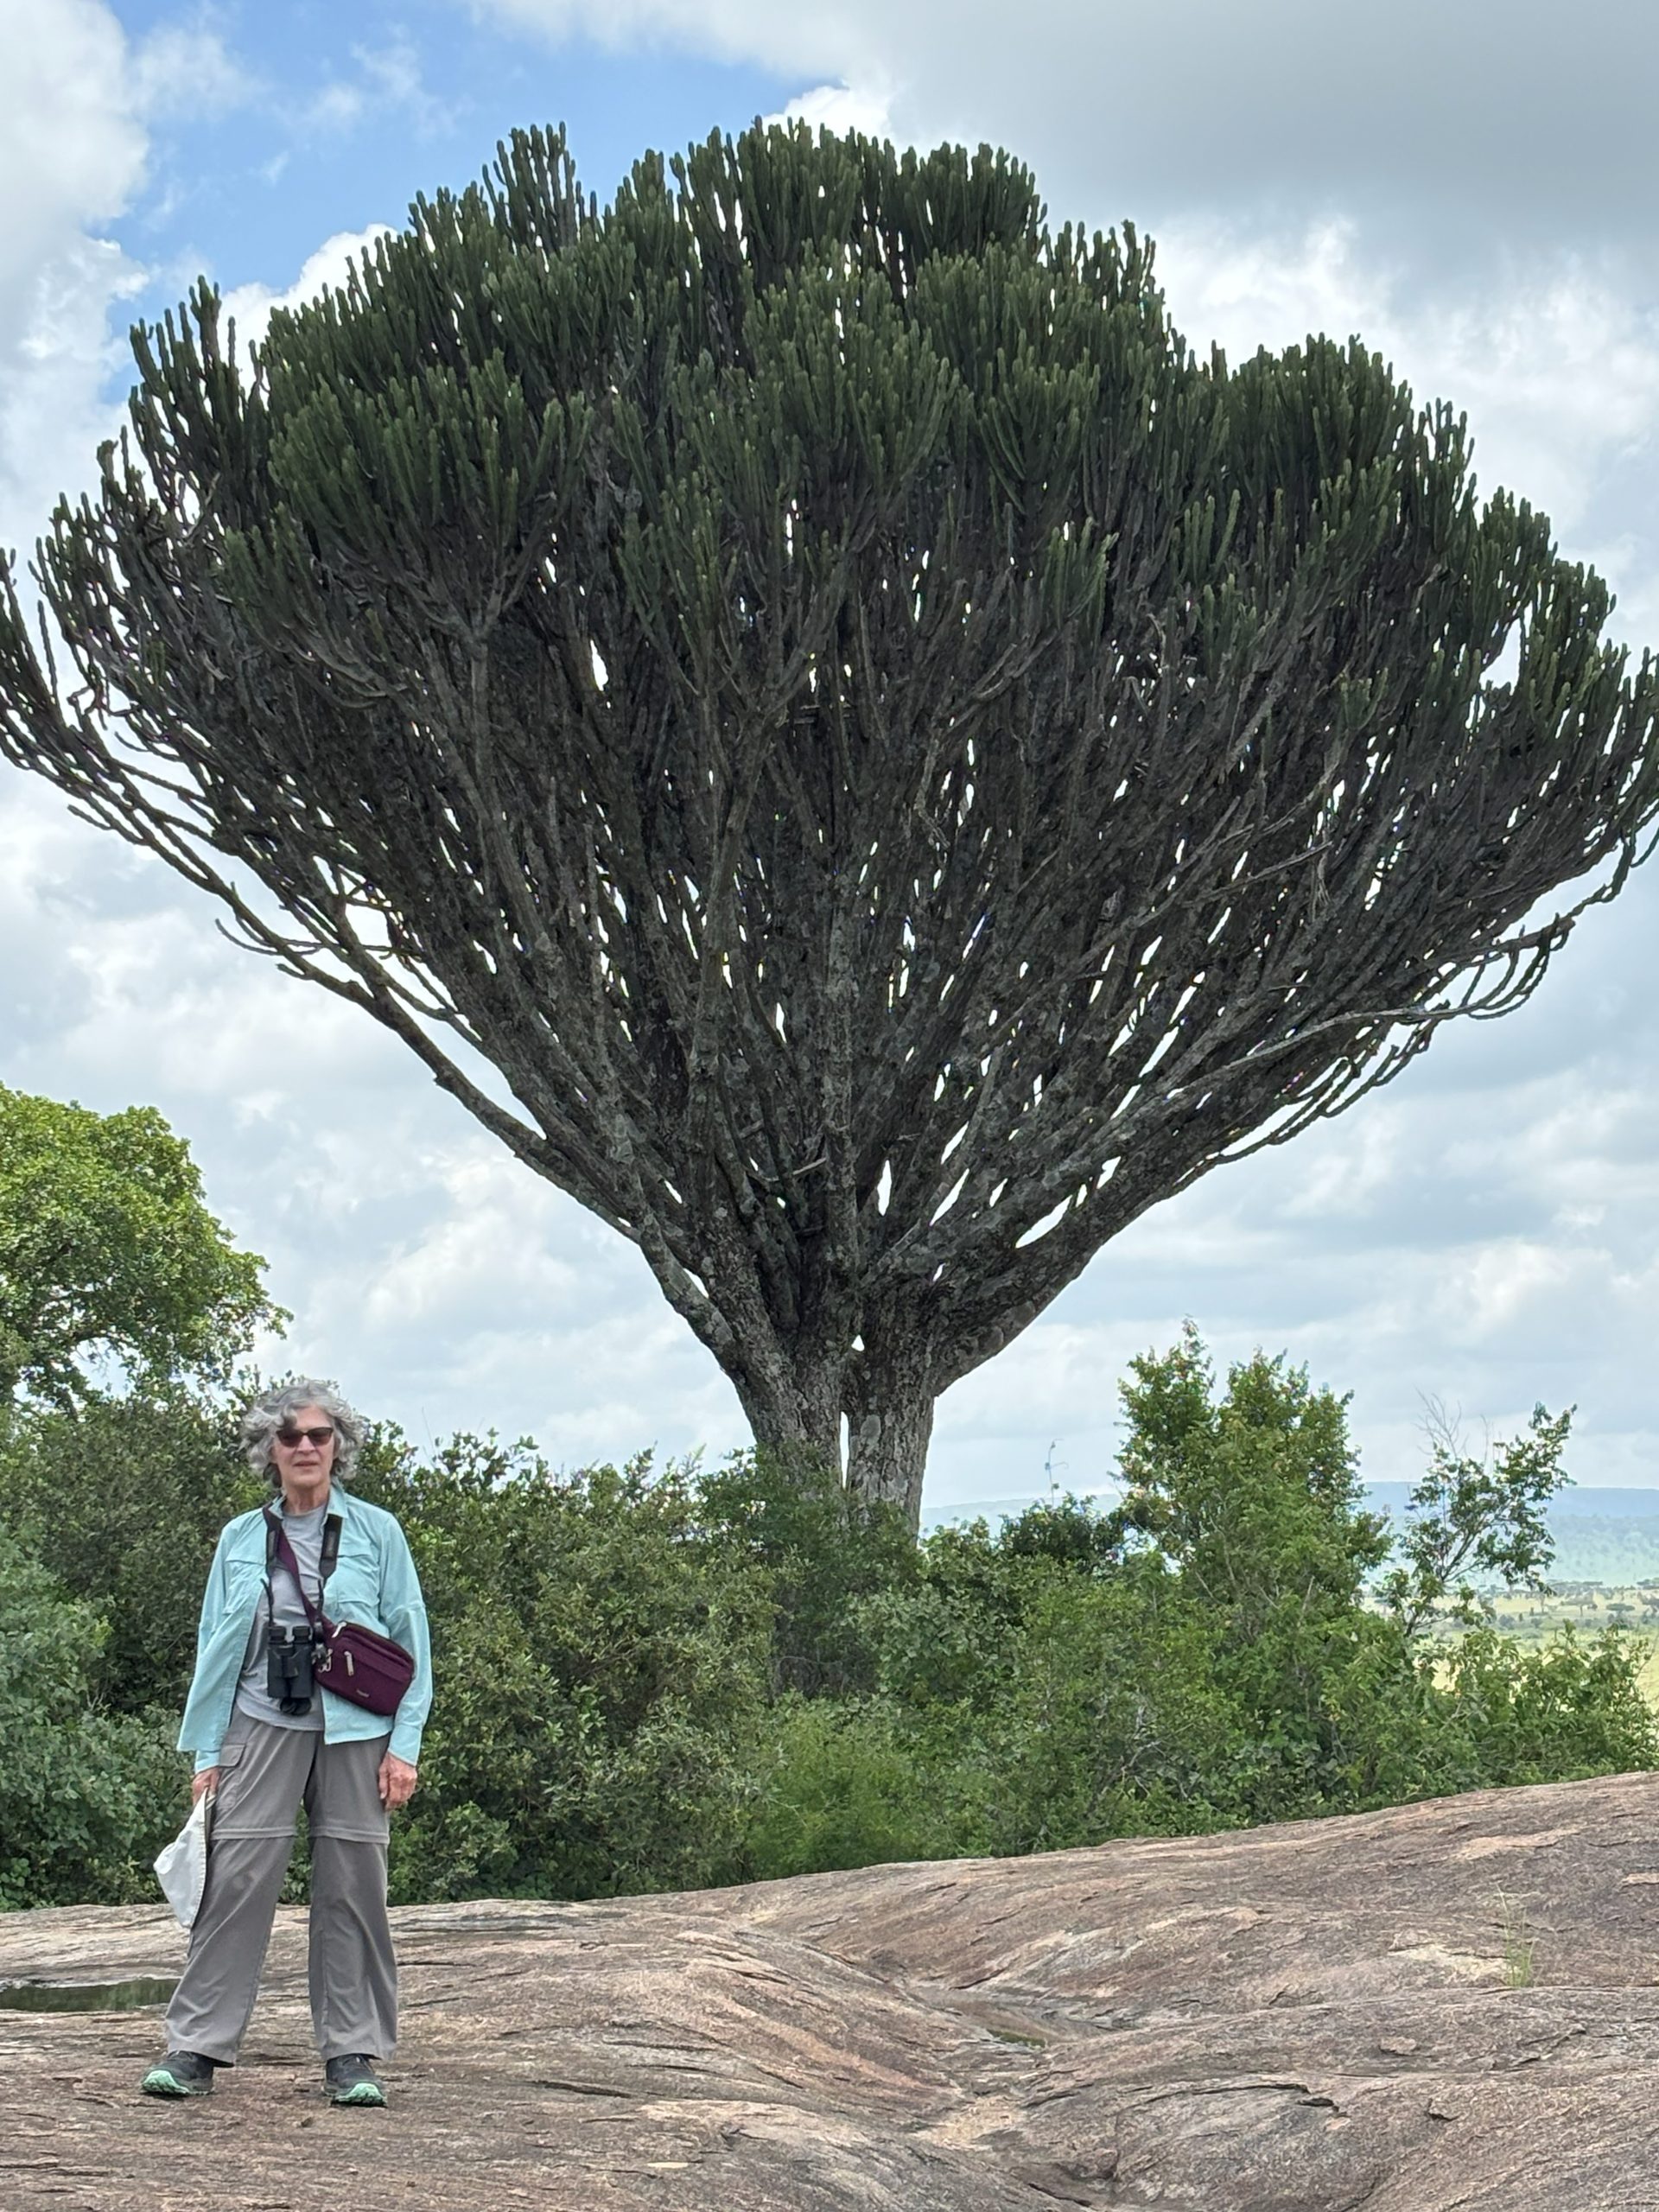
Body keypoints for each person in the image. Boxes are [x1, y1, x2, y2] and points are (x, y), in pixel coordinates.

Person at [141, 1380, 431, 2108]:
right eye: (292, 1436)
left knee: (355, 1888)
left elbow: (410, 1640)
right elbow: (215, 1646)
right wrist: (207, 1753)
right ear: (269, 1449)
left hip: (357, 1732)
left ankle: (353, 2053)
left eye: (320, 1435)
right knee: (234, 1885)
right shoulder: (242, 1537)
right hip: (258, 1725)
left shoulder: (376, 1532)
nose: (307, 1447)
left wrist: (406, 1745)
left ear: (340, 1447)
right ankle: (196, 2047)